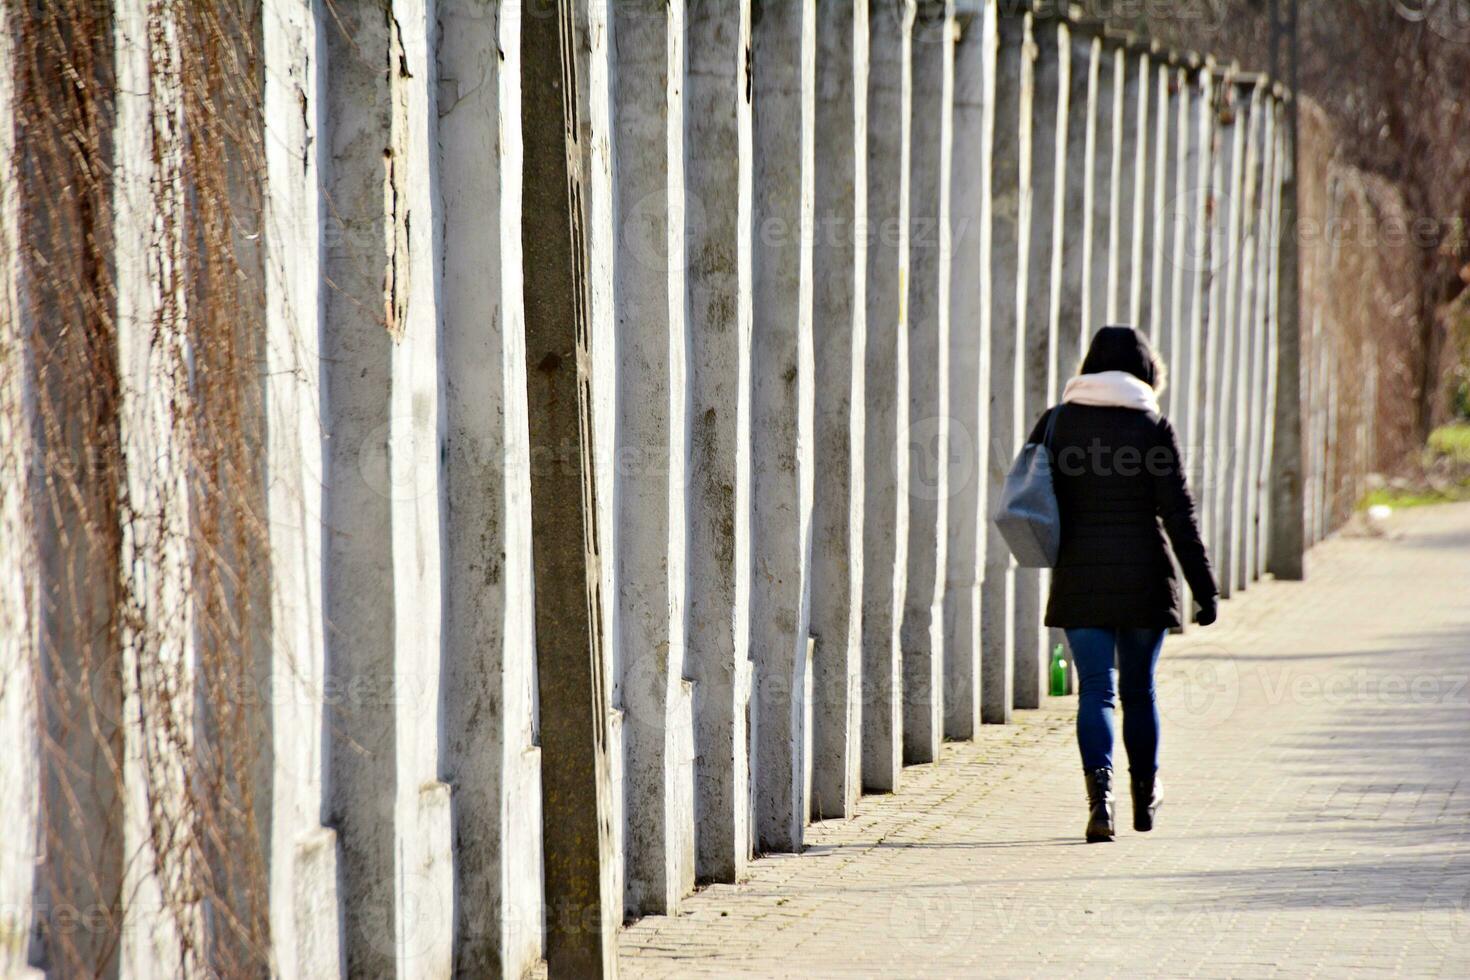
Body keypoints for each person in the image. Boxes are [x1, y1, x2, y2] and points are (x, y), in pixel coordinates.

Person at [1025, 325, 1218, 843]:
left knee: (1095, 691)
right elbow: (1179, 515)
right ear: (1146, 371)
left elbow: (1028, 492)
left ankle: (1100, 803)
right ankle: (1144, 795)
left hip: (1080, 577)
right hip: (1144, 580)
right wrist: (1204, 588)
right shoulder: (1153, 426)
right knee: (1139, 690)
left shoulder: (1057, 422)